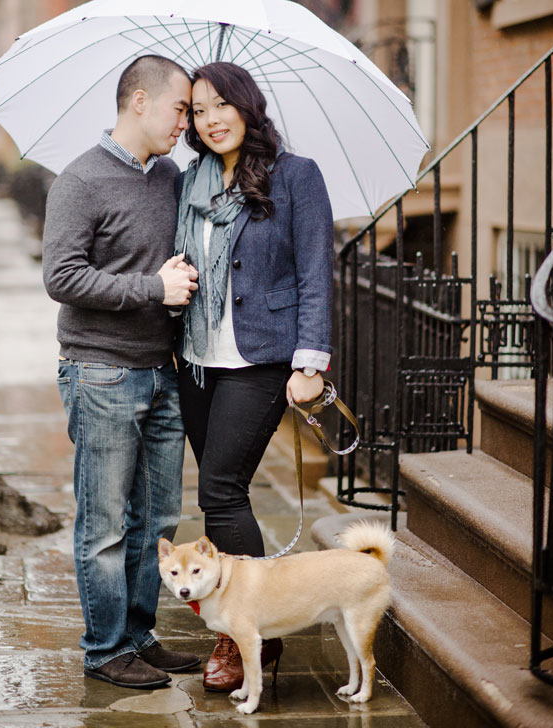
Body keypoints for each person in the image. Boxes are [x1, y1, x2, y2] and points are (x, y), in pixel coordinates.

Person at [42, 55, 200, 689]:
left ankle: (138, 636)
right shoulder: (80, 180)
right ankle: (105, 649)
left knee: (156, 522)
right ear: (139, 100)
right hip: (100, 373)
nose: (186, 123)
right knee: (105, 524)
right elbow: (62, 277)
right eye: (180, 108)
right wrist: (152, 288)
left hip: (163, 372)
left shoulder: (171, 176)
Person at [175, 61, 334, 692]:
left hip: (261, 358)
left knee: (220, 489)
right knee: (220, 494)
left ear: (247, 106)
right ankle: (244, 623)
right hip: (196, 357)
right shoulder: (188, 181)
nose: (211, 119)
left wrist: (310, 361)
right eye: (198, 109)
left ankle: (250, 636)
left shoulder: (296, 176)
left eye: (222, 104)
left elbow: (316, 270)